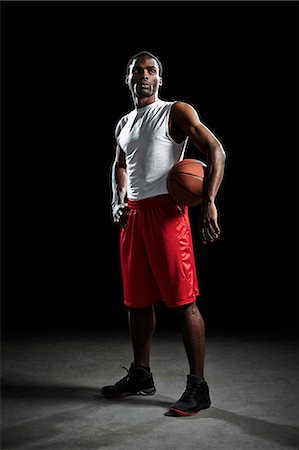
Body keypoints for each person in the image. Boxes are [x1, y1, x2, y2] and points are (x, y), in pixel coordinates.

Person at [101, 51, 226, 417]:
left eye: (151, 70)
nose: (144, 75)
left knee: (184, 301)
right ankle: (141, 376)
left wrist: (210, 202)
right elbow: (120, 164)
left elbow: (216, 150)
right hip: (135, 217)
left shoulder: (175, 111)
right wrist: (116, 199)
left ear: (160, 79)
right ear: (127, 79)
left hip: (168, 215)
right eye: (136, 70)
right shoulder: (122, 123)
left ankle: (198, 388)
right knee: (137, 301)